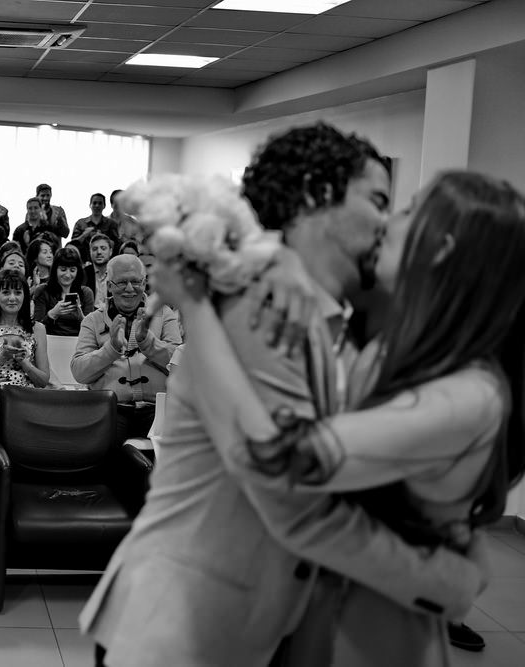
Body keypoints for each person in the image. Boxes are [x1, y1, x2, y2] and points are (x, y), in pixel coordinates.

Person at [79, 123, 487, 667]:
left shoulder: (328, 309)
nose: (387, 221)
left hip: (254, 618)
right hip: (182, 624)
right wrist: (443, 580)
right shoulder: (262, 307)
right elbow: (288, 492)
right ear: (319, 197)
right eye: (378, 200)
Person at [163, 170, 525, 665]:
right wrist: (287, 259)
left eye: (403, 209)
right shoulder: (394, 337)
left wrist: (196, 312)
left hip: (374, 631)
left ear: (438, 248)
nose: (385, 221)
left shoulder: (467, 395)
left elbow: (279, 461)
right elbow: (304, 259)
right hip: (314, 606)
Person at [71, 254, 180, 446]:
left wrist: (147, 343)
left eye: (136, 282)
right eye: (122, 282)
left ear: (145, 282)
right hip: (111, 408)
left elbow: (182, 364)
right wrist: (111, 349)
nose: (130, 289)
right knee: (100, 447)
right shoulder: (93, 320)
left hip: (157, 408)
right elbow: (79, 372)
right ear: (109, 284)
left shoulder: (164, 314)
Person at [0, 269, 49, 432]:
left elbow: (43, 380)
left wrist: (24, 363)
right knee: (4, 428)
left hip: (26, 399)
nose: (12, 298)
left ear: (25, 296)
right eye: (5, 292)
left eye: (18, 292)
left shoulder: (38, 329)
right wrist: (1, 358)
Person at [32, 246, 95, 337]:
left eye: (72, 270)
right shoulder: (42, 290)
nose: (68, 275)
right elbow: (36, 329)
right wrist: (52, 314)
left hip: (78, 343)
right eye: (63, 270)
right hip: (49, 341)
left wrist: (80, 316)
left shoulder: (86, 293)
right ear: (55, 270)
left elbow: (91, 330)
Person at [84, 232, 115, 309]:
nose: (99, 252)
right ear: (90, 252)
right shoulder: (83, 273)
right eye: (94, 249)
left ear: (110, 251)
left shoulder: (117, 273)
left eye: (103, 248)